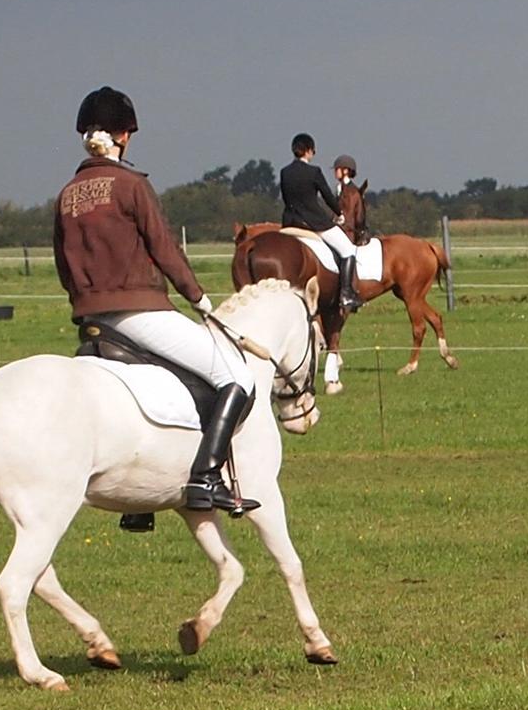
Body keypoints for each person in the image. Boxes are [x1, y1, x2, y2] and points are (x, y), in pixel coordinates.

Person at [53, 86, 259, 515]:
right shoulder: (131, 185)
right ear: (124, 135)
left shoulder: (67, 195)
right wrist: (198, 298)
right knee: (236, 376)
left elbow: (61, 264)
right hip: (138, 312)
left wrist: (87, 300)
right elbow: (165, 248)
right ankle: (204, 479)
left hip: (91, 320)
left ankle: (138, 501)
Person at [280, 134, 361, 312]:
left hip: (290, 223)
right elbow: (328, 197)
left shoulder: (284, 172)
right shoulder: (313, 172)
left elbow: (287, 198)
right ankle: (346, 294)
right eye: (312, 151)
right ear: (308, 150)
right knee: (348, 250)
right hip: (313, 222)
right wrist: (339, 213)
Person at [332, 154, 370, 245]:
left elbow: (358, 218)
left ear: (345, 171)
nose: (335, 172)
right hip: (337, 232)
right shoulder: (339, 188)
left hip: (348, 235)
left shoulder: (353, 193)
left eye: (337, 169)